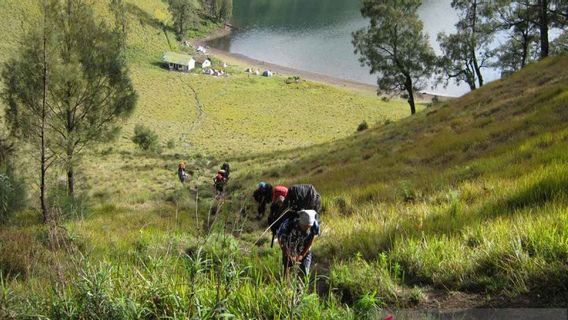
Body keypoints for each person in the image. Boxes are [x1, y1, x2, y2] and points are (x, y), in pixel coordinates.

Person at [277, 210, 319, 278]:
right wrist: (288, 255)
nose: (307, 228)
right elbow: (281, 240)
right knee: (287, 268)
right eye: (305, 226)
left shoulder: (314, 225)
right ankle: (286, 285)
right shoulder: (289, 224)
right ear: (300, 223)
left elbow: (312, 239)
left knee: (305, 271)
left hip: (304, 246)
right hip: (289, 246)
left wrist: (302, 255)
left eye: (309, 227)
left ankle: (302, 286)